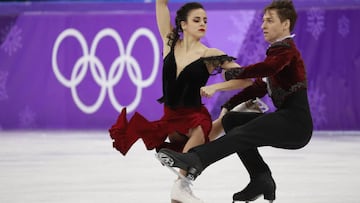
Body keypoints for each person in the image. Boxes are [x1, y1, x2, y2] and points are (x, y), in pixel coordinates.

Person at [157, 0, 313, 202]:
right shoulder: (277, 52)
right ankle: (260, 177)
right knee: (232, 121)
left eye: (269, 20)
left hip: (295, 123)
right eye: (263, 20)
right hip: (287, 121)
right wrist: (227, 107)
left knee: (244, 134)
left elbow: (269, 69)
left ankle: (197, 159)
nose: (263, 25)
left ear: (285, 24)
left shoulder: (286, 51)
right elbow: (258, 86)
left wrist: (234, 74)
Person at [109, 1, 252, 202]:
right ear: (183, 24)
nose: (202, 23)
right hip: (171, 120)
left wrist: (216, 86)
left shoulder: (210, 55)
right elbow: (161, 4)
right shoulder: (169, 43)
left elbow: (245, 79)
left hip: (195, 117)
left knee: (201, 133)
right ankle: (235, 111)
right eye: (196, 20)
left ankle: (181, 187)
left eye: (205, 20)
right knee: (211, 133)